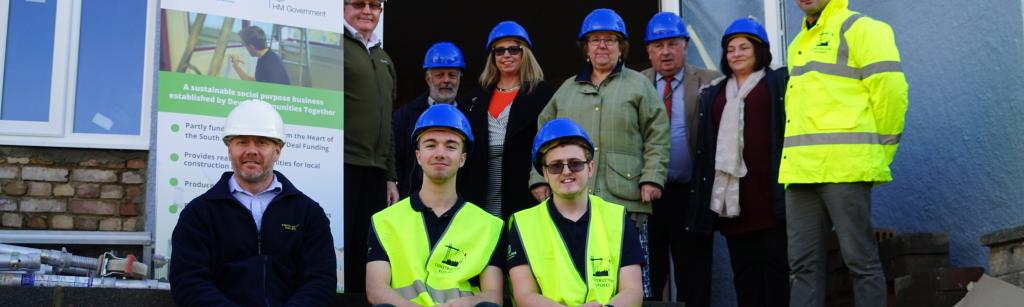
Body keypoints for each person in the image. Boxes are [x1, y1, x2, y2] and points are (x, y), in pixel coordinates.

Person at [530, 8, 668, 298]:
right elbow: (542, 136)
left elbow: (658, 133)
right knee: (580, 276)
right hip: (573, 204)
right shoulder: (566, 90)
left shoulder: (639, 85)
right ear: (586, 48)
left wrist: (652, 177)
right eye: (595, 40)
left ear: (621, 47)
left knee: (630, 281)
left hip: (628, 199)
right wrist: (539, 179)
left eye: (610, 39)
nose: (602, 45)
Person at [782, 0, 909, 306]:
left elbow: (891, 93)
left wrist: (882, 153)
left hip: (845, 168)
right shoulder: (798, 42)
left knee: (860, 262)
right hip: (800, 172)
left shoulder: (863, 28)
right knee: (802, 268)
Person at [169, 100, 336, 306]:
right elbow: (188, 282)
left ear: (277, 150)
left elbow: (320, 281)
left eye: (261, 142)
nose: (251, 150)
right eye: (242, 142)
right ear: (229, 149)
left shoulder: (308, 214)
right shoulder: (198, 214)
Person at [692, 18, 790, 307]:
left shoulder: (778, 82)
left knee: (776, 275)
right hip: (734, 202)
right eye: (730, 49)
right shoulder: (714, 92)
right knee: (744, 276)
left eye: (743, 47)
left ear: (759, 50)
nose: (736, 54)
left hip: (771, 198)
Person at [366, 104, 505, 307]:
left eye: (451, 146)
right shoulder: (384, 221)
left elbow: (494, 296)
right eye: (431, 145)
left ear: (462, 159)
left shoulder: (488, 225)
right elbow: (376, 290)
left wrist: (470, 302)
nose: (440, 153)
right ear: (418, 156)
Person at [508, 119, 644, 307]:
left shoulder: (618, 218)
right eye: (556, 166)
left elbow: (633, 291)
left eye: (575, 163)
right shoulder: (522, 223)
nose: (566, 171)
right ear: (545, 174)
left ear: (590, 168)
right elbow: (524, 295)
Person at [639, 12, 721, 305]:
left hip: (692, 195)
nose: (666, 51)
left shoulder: (711, 82)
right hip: (647, 198)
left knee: (695, 275)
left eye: (673, 44)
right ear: (648, 50)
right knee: (649, 276)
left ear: (685, 46)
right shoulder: (635, 84)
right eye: (658, 45)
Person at [461, 21, 555, 219]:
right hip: (479, 187)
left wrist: (543, 179)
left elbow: (551, 143)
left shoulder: (543, 94)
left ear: (525, 53)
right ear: (492, 57)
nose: (506, 56)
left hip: (524, 188)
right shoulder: (474, 98)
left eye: (514, 49)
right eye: (499, 51)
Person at [344, 0, 399, 292]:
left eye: (374, 5)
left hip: (376, 170)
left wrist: (390, 175)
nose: (367, 10)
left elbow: (388, 121)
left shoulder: (384, 57)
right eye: (358, 3)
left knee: (368, 249)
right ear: (342, 7)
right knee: (341, 245)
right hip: (344, 163)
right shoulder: (335, 46)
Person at [394, 42, 467, 199]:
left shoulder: (472, 116)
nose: (446, 80)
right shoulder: (405, 116)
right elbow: (396, 161)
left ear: (460, 79)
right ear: (428, 78)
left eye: (452, 75)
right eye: (439, 75)